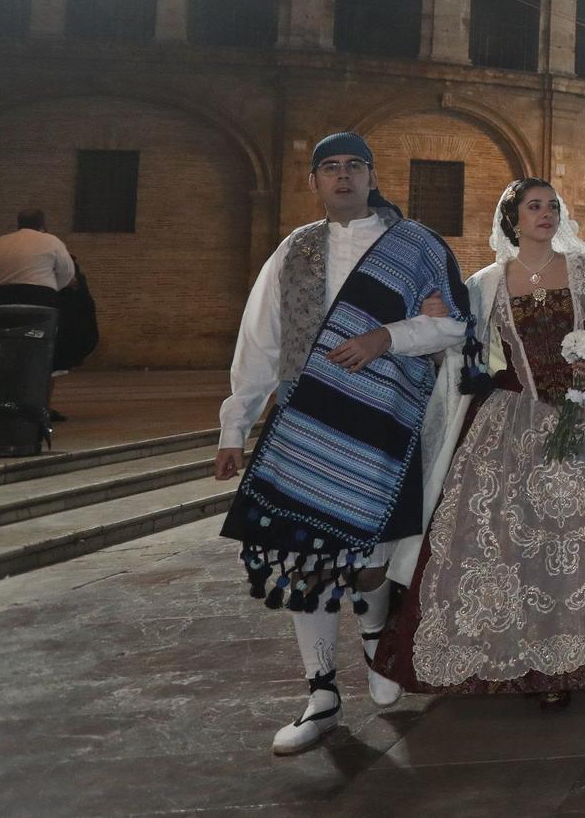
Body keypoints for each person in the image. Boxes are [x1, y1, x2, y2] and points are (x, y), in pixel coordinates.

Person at [373, 179, 585, 709]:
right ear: (512, 218)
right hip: (510, 420)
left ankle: (569, 658)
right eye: (534, 206)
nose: (546, 214)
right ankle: (511, 649)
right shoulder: (486, 284)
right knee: (506, 541)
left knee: (583, 540)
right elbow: (455, 342)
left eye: (553, 206)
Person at [211, 133, 470, 755]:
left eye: (355, 165)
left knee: (374, 550)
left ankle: (378, 634)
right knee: (306, 557)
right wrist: (234, 426)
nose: (343, 176)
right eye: (330, 168)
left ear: (373, 175)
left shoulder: (416, 247)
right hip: (305, 418)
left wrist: (389, 336)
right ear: (314, 181)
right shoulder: (293, 251)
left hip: (386, 419)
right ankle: (320, 694)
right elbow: (260, 341)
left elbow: (458, 324)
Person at [0, 209, 79, 422]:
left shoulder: (0, 242)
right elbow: (67, 273)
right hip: (40, 301)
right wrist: (52, 288)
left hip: (2, 300)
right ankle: (42, 408)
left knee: (3, 351)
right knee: (44, 352)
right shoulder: (50, 241)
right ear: (43, 223)